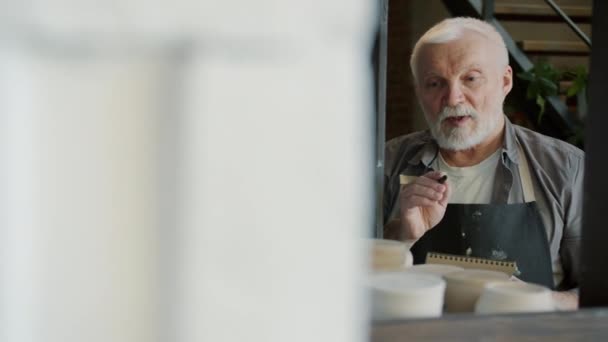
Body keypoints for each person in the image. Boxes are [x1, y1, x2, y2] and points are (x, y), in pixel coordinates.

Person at [382, 17, 583, 309]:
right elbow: (339, 282)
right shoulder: (385, 165)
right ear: (419, 92)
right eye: (435, 83)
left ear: (505, 81)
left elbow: (599, 294)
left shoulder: (566, 169)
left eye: (471, 78)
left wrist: (541, 302)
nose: (453, 97)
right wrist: (401, 236)